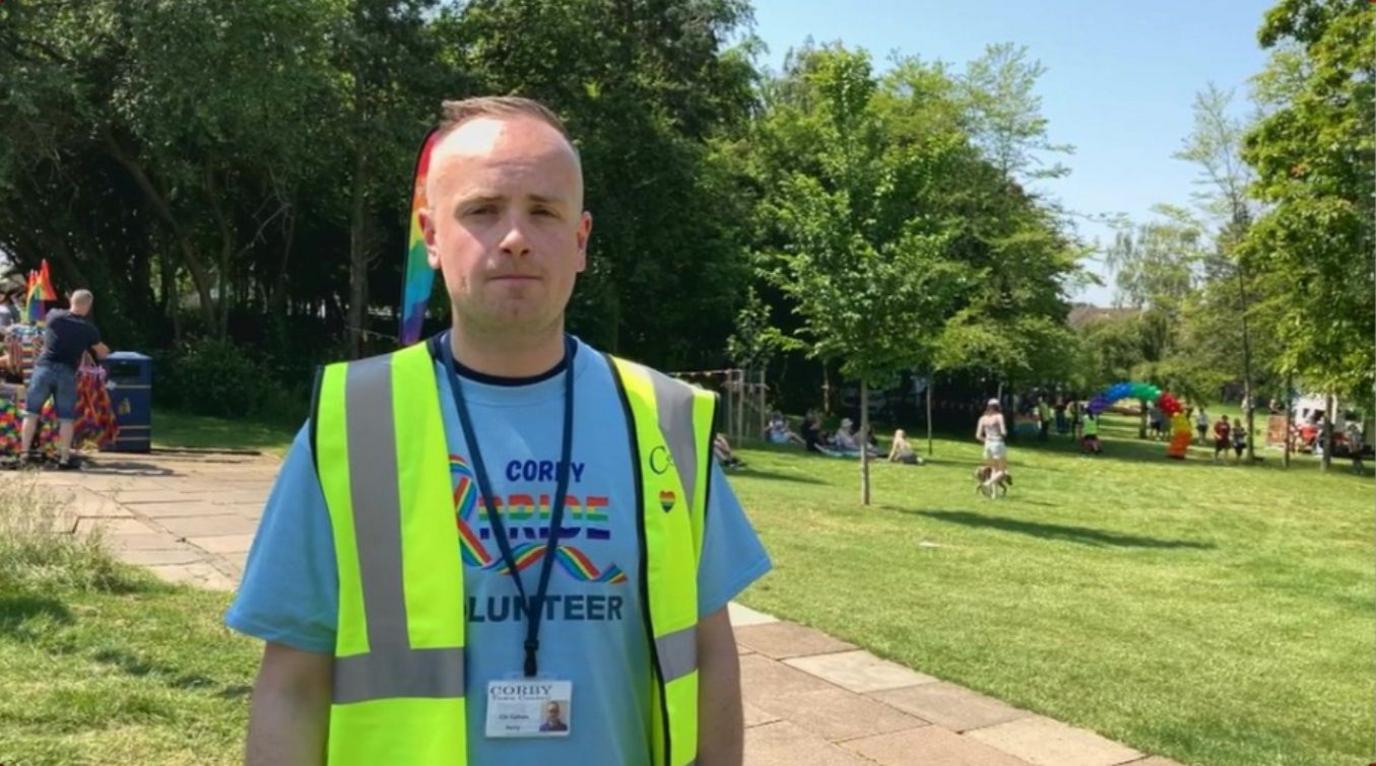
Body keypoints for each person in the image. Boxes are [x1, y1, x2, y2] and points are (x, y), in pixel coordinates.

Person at [226, 97, 769, 766]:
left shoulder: (667, 419)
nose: (514, 236)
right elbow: (292, 684)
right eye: (483, 211)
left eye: (544, 211)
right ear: (430, 235)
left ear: (581, 240)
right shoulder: (352, 422)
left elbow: (712, 656)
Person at [17, 289, 109, 469]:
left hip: (44, 368)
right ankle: (64, 458)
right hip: (67, 373)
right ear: (88, 305)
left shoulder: (54, 317)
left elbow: (40, 324)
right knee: (66, 418)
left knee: (31, 412)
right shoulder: (89, 329)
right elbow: (102, 352)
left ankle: (24, 455)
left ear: (70, 301)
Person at [976, 399, 1008, 473]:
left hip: (987, 444)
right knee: (1001, 468)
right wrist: (1004, 433)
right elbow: (1003, 432)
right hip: (997, 442)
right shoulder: (999, 416)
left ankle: (982, 472)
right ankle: (989, 482)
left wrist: (987, 440)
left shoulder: (982, 418)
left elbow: (978, 436)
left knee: (993, 466)